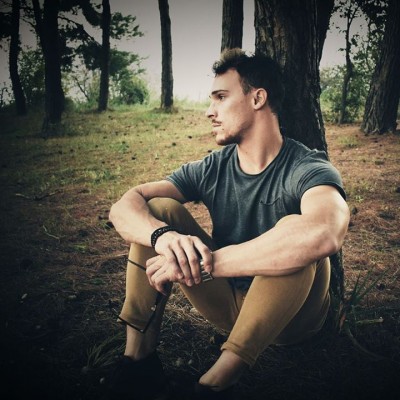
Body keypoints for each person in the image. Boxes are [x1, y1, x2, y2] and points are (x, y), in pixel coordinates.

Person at [107, 48, 350, 400]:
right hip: (226, 302)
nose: (210, 111)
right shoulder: (213, 167)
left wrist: (205, 263)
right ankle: (138, 364)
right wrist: (162, 237)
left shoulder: (307, 167)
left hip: (291, 319)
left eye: (221, 97)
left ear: (257, 98)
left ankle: (214, 385)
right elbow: (126, 206)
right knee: (159, 209)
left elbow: (324, 233)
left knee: (297, 236)